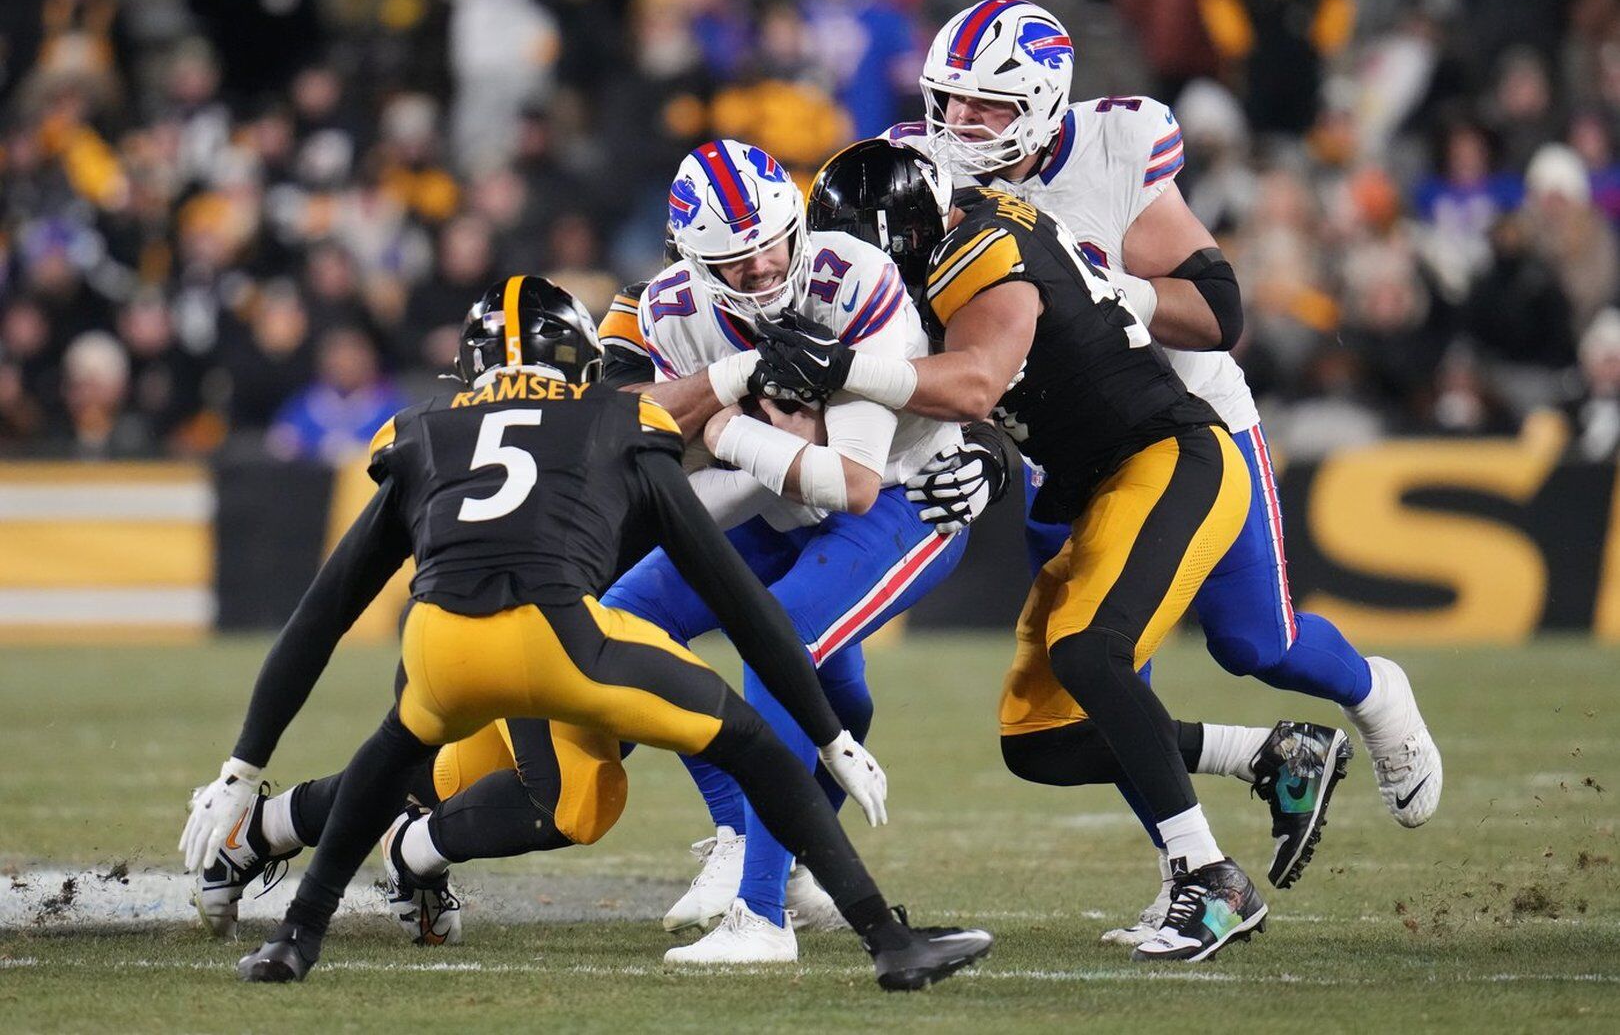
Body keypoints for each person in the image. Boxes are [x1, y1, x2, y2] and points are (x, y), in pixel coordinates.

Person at [179, 275, 992, 990]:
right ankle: (886, 941)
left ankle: (291, 923)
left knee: (430, 762)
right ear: (579, 362)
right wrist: (827, 735)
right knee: (663, 771)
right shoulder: (618, 420)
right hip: (558, 637)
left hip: (437, 651)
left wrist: (242, 764)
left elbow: (324, 614)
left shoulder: (421, 430)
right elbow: (734, 595)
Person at [878, 0, 1440, 943]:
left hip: (1181, 424)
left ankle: (1372, 692)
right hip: (1062, 439)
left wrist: (1112, 286)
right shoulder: (920, 174)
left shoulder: (1111, 149)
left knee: (1254, 643)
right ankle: (1194, 869)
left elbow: (1219, 310)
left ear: (1046, 102)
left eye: (986, 107)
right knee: (1101, 670)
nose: (960, 127)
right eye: (949, 103)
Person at [754, 143, 1334, 962]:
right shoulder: (942, 251)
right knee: (1042, 739)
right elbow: (980, 399)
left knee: (1091, 652)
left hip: (1167, 456)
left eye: (868, 253)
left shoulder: (979, 247)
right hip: (1097, 481)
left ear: (908, 236)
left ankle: (1210, 878)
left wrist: (844, 366)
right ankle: (1270, 754)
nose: (856, 274)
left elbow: (981, 380)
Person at [611, 138, 971, 964]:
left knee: (784, 639)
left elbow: (848, 483)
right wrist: (733, 397)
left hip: (907, 496)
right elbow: (658, 442)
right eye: (737, 261)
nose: (766, 269)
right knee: (621, 627)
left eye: (775, 242)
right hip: (776, 500)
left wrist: (726, 420)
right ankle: (744, 833)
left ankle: (763, 915)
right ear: (695, 262)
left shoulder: (856, 277)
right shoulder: (669, 307)